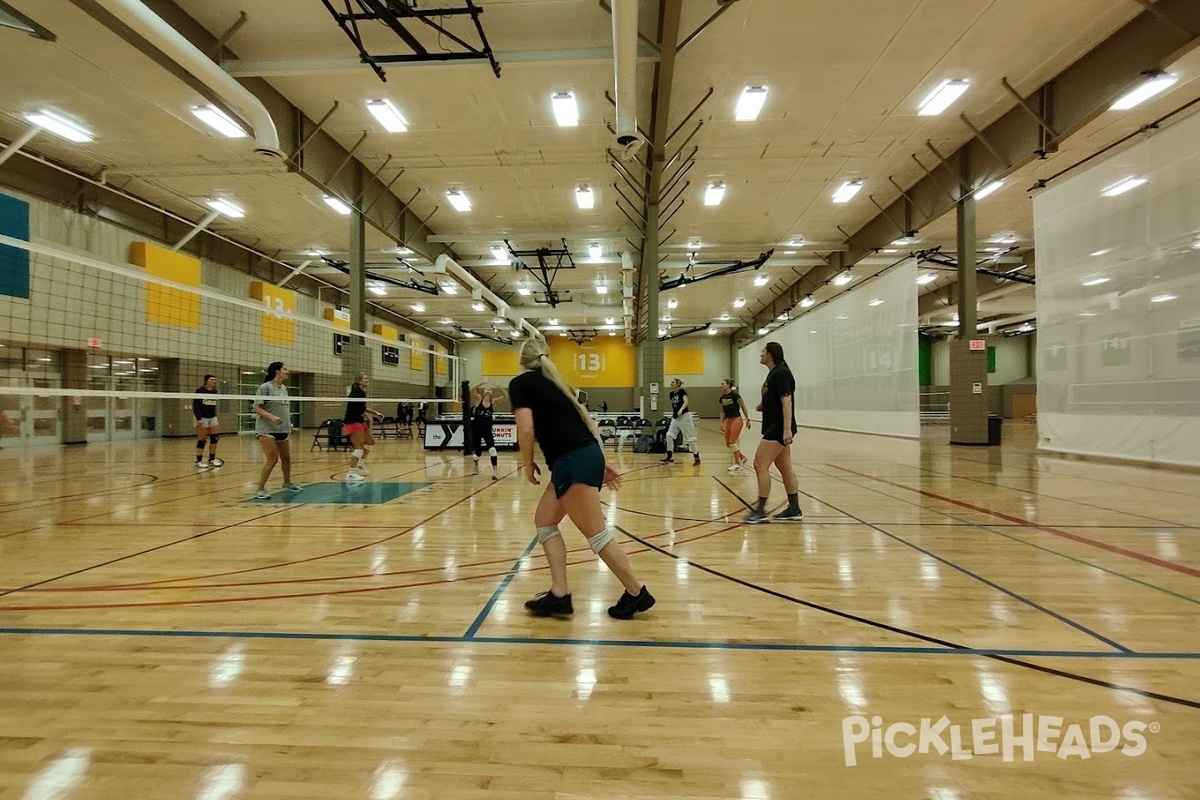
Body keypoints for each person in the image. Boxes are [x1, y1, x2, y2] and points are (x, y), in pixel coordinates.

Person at [509, 335, 655, 620]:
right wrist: (601, 461)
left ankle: (637, 592)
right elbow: (590, 423)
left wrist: (527, 464)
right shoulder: (556, 383)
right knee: (545, 521)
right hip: (582, 455)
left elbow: (525, 430)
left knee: (597, 535)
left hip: (571, 461)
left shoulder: (521, 384)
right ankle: (559, 595)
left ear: (522, 359)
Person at [745, 342, 802, 523]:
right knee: (785, 467)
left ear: (770, 354)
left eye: (763, 352)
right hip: (775, 425)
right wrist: (764, 405)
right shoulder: (774, 374)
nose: (760, 355)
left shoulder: (781, 373)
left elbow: (787, 402)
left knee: (759, 465)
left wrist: (786, 431)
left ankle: (760, 510)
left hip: (778, 428)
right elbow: (776, 398)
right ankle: (794, 508)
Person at [252, 362, 301, 500]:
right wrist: (272, 417)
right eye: (285, 369)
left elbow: (284, 409)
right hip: (266, 429)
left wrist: (289, 423)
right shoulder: (265, 387)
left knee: (286, 458)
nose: (288, 371)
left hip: (282, 429)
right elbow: (257, 408)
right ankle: (260, 489)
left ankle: (287, 483)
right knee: (273, 459)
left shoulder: (284, 388)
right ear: (277, 371)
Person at [344, 374, 381, 482]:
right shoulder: (356, 392)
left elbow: (362, 408)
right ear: (359, 381)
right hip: (353, 422)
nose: (367, 380)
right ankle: (351, 473)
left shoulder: (361, 392)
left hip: (359, 421)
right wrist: (368, 417)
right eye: (365, 378)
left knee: (370, 442)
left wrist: (375, 413)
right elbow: (359, 410)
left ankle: (360, 465)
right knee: (359, 447)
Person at [659, 378, 700, 465]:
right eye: (671, 382)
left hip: (685, 416)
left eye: (673, 382)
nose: (671, 383)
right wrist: (676, 413)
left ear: (678, 384)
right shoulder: (671, 394)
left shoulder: (682, 392)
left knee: (691, 438)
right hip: (675, 418)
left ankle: (696, 458)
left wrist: (681, 410)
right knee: (669, 435)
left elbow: (686, 402)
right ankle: (670, 457)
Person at [469, 382, 505, 480]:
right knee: (477, 453)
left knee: (492, 450)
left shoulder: (493, 402)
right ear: (484, 392)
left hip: (487, 430)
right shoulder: (478, 399)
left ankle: (495, 471)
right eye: (486, 389)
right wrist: (481, 383)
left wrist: (500, 387)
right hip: (476, 429)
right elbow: (471, 389)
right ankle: (476, 463)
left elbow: (505, 396)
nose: (488, 390)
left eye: (490, 389)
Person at [718, 379, 751, 472]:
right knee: (728, 444)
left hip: (737, 419)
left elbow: (743, 407)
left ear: (728, 385)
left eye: (722, 384)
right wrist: (721, 422)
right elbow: (722, 411)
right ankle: (742, 457)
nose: (721, 385)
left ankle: (737, 464)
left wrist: (748, 419)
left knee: (732, 442)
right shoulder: (722, 398)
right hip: (729, 420)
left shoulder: (735, 395)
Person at [192, 374, 224, 469]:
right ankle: (199, 461)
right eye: (211, 379)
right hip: (202, 418)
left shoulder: (214, 392)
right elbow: (196, 406)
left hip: (212, 417)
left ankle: (212, 459)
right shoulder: (200, 391)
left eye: (214, 380)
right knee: (202, 440)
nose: (214, 381)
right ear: (206, 381)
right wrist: (198, 419)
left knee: (215, 438)